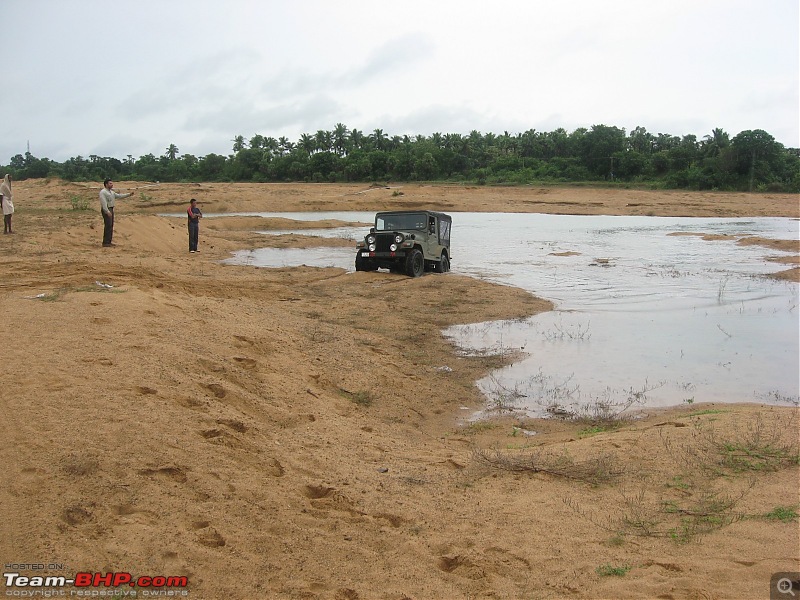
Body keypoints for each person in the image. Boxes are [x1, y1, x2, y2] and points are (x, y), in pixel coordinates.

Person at [99, 179, 132, 247]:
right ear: (106, 184)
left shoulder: (111, 192)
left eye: (112, 183)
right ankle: (105, 242)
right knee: (108, 225)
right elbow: (103, 203)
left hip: (111, 208)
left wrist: (129, 194)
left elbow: (119, 196)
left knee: (110, 226)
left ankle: (108, 242)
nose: (112, 185)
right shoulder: (103, 192)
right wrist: (107, 211)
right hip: (107, 209)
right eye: (110, 183)